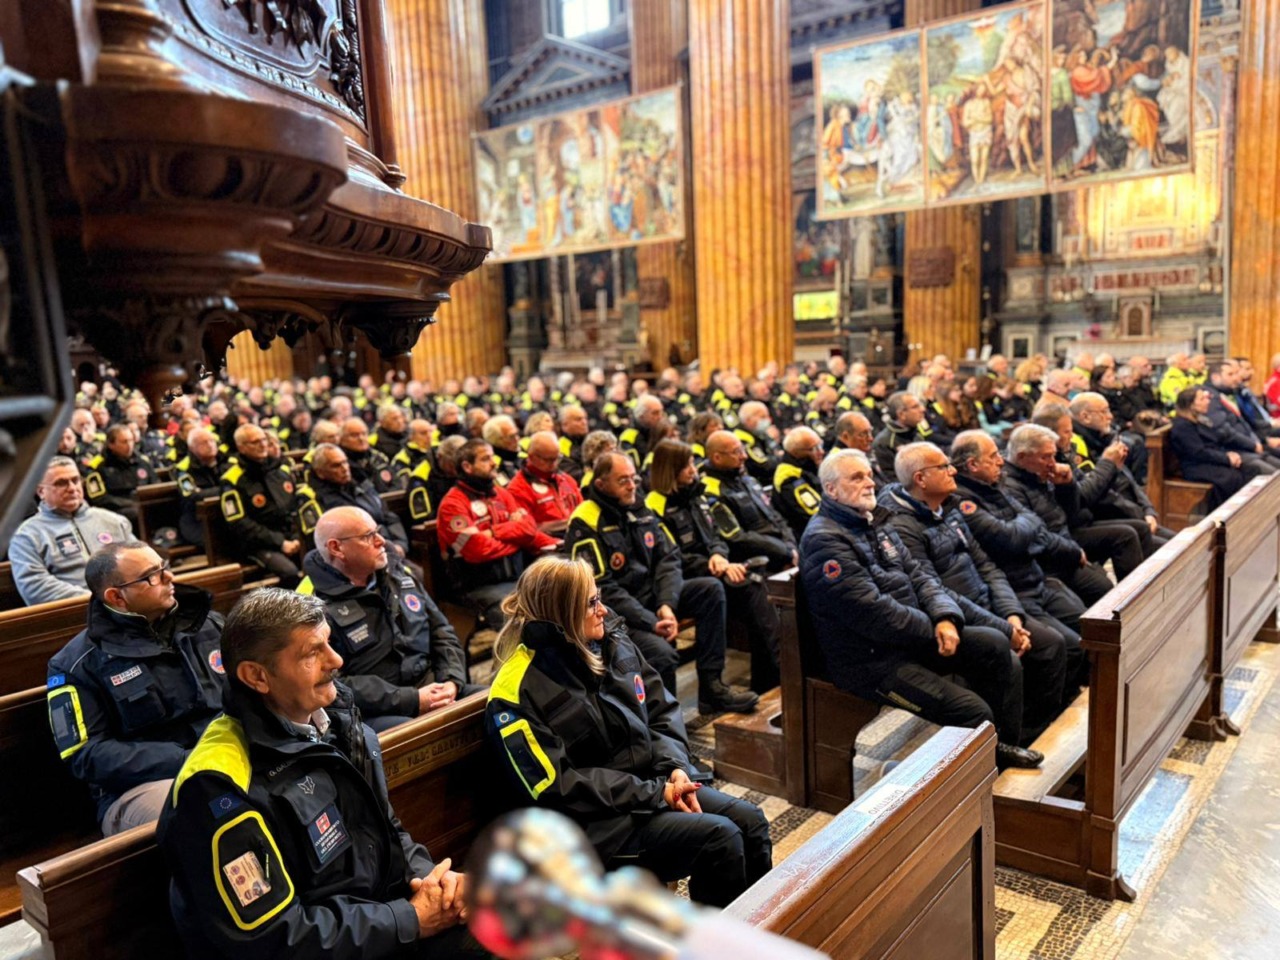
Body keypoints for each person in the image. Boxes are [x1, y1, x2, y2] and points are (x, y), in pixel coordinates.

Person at [157, 589, 490, 960]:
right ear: (257, 676)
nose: (336, 660)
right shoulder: (218, 786)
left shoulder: (339, 722)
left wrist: (437, 884)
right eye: (312, 653)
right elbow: (273, 936)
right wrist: (407, 920)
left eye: (329, 643)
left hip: (371, 926)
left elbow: (384, 832)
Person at [484, 556, 772, 907]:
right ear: (561, 611)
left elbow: (661, 711)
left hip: (650, 787)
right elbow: (556, 787)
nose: (603, 610)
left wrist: (674, 768)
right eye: (591, 603)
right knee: (720, 839)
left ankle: (761, 929)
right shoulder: (515, 691)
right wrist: (655, 793)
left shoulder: (611, 642)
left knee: (751, 821)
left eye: (599, 597)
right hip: (592, 825)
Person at [800, 448, 1041, 769]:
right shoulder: (824, 541)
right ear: (831, 489)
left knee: (997, 648)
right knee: (972, 711)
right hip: (871, 662)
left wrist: (944, 616)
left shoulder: (874, 521)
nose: (869, 482)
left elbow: (922, 577)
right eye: (856, 477)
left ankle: (1002, 749)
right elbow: (873, 613)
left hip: (912, 638)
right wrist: (935, 629)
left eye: (869, 474)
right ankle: (975, 782)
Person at [879, 444, 1068, 738]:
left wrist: (1011, 614)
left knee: (1053, 645)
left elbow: (987, 565)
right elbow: (936, 590)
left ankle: (1035, 732)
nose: (953, 470)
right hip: (957, 617)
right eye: (943, 467)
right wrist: (1004, 627)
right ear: (921, 479)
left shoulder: (948, 508)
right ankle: (1004, 747)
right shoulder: (902, 527)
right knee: (1009, 658)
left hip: (989, 606)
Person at [46, 541, 225, 834]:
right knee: (206, 806)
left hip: (225, 754)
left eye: (164, 567)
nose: (170, 579)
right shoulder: (75, 665)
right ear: (117, 597)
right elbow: (86, 754)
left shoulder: (207, 625)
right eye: (151, 576)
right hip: (141, 786)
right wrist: (185, 758)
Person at [563, 452, 757, 713]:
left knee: (710, 590)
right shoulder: (585, 520)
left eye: (633, 478)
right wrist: (651, 621)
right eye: (623, 481)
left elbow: (668, 557)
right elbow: (602, 589)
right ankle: (666, 726)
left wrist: (667, 603)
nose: (632, 485)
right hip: (615, 614)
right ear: (601, 485)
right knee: (662, 653)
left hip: (653, 599)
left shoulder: (639, 506)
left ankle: (712, 687)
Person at [299, 507, 475, 731]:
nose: (381, 541)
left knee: (495, 703)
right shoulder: (310, 604)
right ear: (336, 548)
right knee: (417, 733)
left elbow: (441, 631)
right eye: (367, 536)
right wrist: (410, 699)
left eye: (378, 532)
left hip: (432, 685)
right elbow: (328, 682)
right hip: (374, 710)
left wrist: (451, 681)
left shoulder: (397, 573)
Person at [647, 440, 781, 693]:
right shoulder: (655, 504)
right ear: (670, 469)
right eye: (685, 465)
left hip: (715, 568)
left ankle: (770, 679)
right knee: (753, 591)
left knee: (759, 584)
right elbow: (671, 555)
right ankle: (776, 671)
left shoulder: (695, 494)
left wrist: (719, 555)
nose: (692, 469)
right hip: (686, 578)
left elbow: (715, 536)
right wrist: (714, 565)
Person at [436, 439, 558, 628]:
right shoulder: (453, 504)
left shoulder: (502, 494)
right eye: (486, 459)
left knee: (565, 601)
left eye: (493, 457)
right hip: (479, 586)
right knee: (528, 623)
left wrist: (493, 532)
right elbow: (478, 550)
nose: (494, 463)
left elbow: (528, 529)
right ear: (467, 466)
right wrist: (515, 539)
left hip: (518, 577)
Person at [10, 456, 135, 605]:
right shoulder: (27, 536)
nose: (72, 488)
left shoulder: (113, 520)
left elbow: (143, 562)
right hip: (76, 614)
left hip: (130, 605)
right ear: (41, 491)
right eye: (61, 483)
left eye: (75, 480)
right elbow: (35, 587)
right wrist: (99, 601)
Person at [220, 424, 320, 589]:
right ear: (241, 447)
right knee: (290, 572)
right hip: (258, 544)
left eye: (264, 440)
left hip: (291, 537)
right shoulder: (232, 480)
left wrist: (295, 537)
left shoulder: (281, 470)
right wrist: (280, 542)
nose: (263, 445)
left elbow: (296, 507)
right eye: (255, 442)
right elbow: (239, 523)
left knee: (319, 561)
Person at [701, 430, 798, 571]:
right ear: (717, 457)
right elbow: (737, 538)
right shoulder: (711, 491)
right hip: (757, 560)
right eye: (736, 452)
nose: (744, 456)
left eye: (743, 450)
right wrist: (784, 552)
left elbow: (775, 517)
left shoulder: (747, 480)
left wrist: (790, 546)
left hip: (783, 550)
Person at [309, 443, 410, 560]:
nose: (345, 468)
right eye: (336, 465)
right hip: (357, 561)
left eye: (345, 462)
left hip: (388, 550)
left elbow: (388, 517)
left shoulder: (362, 484)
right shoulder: (317, 498)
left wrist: (400, 545)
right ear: (320, 473)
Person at [1168, 387, 1253, 507]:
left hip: (1207, 460)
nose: (1208, 401)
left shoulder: (1198, 420)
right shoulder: (1182, 426)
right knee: (1232, 478)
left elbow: (1213, 442)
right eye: (1202, 399)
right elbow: (1198, 452)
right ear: (1191, 405)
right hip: (1195, 467)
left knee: (1245, 469)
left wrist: (1228, 455)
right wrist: (1226, 458)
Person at [82, 423, 160, 529]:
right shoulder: (97, 466)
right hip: (115, 511)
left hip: (144, 505)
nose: (129, 445)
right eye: (124, 442)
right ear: (111, 444)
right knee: (136, 514)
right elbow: (98, 498)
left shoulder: (142, 462)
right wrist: (129, 503)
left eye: (131, 440)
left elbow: (156, 485)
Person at [505, 431, 583, 532]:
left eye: (557, 458)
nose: (554, 464)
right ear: (531, 456)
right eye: (549, 460)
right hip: (549, 543)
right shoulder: (518, 489)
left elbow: (582, 511)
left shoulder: (566, 480)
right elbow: (528, 530)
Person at [175, 428, 227, 549]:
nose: (210, 445)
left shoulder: (226, 460)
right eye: (203, 443)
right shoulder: (183, 469)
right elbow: (192, 496)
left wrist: (207, 492)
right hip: (197, 520)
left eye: (212, 441)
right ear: (192, 447)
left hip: (223, 514)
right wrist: (225, 490)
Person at [772, 427, 824, 539]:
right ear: (796, 452)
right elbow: (815, 514)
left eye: (821, 445)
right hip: (810, 537)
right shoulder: (788, 477)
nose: (821, 452)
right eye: (814, 449)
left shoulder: (807, 467)